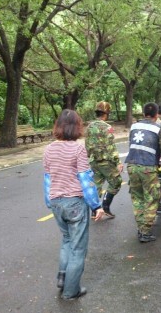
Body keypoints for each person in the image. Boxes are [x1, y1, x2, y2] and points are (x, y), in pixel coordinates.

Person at [43, 109, 105, 300]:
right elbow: (85, 179)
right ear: (76, 127)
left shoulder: (49, 149)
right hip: (74, 202)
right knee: (78, 247)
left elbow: (47, 179)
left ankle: (62, 277)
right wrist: (96, 205)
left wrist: (50, 202)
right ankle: (71, 291)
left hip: (56, 202)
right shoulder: (77, 148)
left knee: (67, 240)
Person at [125, 102, 161, 243]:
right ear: (156, 114)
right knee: (152, 198)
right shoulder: (159, 129)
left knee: (137, 198)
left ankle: (141, 227)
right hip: (147, 168)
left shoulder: (134, 126)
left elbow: (134, 145)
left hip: (131, 166)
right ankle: (145, 232)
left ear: (143, 114)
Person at [85, 101, 123, 219]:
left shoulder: (89, 126)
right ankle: (105, 207)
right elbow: (111, 147)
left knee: (97, 184)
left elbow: (87, 145)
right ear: (106, 113)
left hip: (93, 161)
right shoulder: (107, 128)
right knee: (116, 182)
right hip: (106, 162)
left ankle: (94, 210)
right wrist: (118, 162)